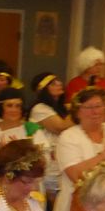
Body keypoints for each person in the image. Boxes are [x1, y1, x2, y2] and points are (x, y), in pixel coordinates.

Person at [29, 72, 73, 200]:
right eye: (53, 83)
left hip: (61, 156)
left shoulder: (60, 108)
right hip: (48, 160)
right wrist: (78, 109)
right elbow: (61, 127)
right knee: (53, 200)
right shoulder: (39, 108)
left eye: (59, 81)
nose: (59, 84)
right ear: (43, 89)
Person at [0, 87, 49, 166]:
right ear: (1, 108)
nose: (14, 110)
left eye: (18, 106)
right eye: (9, 106)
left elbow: (45, 159)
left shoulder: (31, 129)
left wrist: (21, 151)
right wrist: (3, 153)